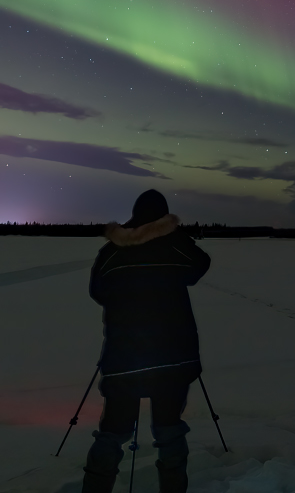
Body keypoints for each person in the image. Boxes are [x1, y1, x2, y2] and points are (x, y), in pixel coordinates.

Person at [82, 189, 211, 493]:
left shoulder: (112, 252)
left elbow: (98, 292)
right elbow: (199, 265)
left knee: (112, 432)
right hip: (173, 358)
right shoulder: (175, 247)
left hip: (123, 358)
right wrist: (175, 234)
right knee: (169, 430)